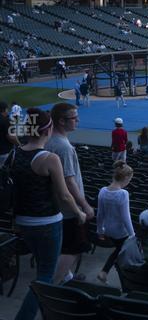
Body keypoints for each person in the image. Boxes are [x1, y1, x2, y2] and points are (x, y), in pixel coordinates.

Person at [12, 108, 87, 320]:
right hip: (46, 222)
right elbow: (64, 195)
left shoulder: (15, 153)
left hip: (23, 223)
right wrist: (80, 213)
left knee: (44, 266)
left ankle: (63, 285)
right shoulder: (50, 158)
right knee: (45, 275)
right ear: (48, 129)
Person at [46, 103, 94, 284]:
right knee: (74, 248)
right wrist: (84, 206)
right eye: (74, 117)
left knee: (64, 245)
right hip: (68, 208)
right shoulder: (63, 147)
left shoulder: (49, 140)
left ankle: (67, 277)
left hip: (56, 206)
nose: (78, 120)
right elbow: (70, 181)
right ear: (61, 121)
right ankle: (53, 285)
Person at [96, 161, 134, 283]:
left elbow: (100, 214)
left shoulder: (102, 190)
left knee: (120, 249)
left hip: (107, 229)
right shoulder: (123, 194)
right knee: (123, 250)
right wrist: (132, 235)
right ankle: (106, 272)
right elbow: (125, 217)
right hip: (120, 231)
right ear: (126, 178)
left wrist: (99, 230)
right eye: (130, 180)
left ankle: (105, 272)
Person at [0, 101, 19, 168]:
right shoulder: (6, 120)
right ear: (5, 109)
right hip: (4, 152)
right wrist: (19, 144)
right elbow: (11, 137)